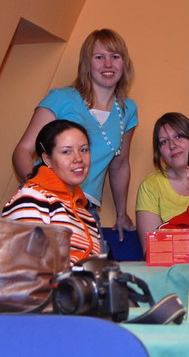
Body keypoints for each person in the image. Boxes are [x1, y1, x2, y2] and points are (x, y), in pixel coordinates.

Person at [13, 29, 138, 239]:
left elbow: (120, 164)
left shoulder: (127, 109)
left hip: (85, 207)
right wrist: (40, 191)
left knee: (86, 259)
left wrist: (121, 214)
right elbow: (23, 151)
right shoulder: (61, 98)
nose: (108, 64)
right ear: (87, 63)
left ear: (124, 63)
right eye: (99, 57)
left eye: (115, 57)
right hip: (45, 204)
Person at [3, 120, 101, 265]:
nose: (78, 158)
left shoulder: (85, 212)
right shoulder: (31, 197)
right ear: (47, 159)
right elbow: (26, 265)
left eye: (84, 150)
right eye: (66, 151)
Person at [135, 112, 189, 250]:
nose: (172, 145)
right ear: (159, 153)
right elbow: (151, 249)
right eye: (164, 141)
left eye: (178, 136)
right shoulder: (151, 186)